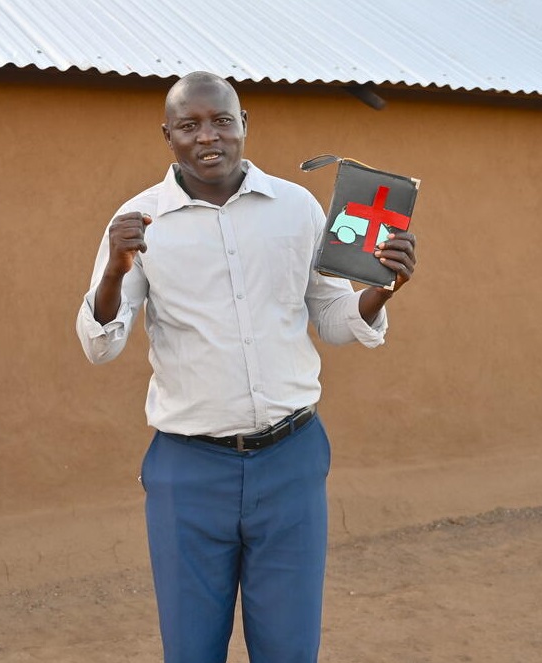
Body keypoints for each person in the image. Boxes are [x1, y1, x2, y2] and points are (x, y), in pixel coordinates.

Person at [75, 71, 417, 663]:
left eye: (222, 120)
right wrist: (113, 268)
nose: (209, 136)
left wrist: (381, 290)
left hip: (291, 460)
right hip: (189, 469)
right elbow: (100, 343)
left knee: (289, 646)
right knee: (191, 648)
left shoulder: (297, 208)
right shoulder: (137, 221)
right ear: (168, 135)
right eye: (190, 125)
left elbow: (333, 318)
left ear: (244, 126)